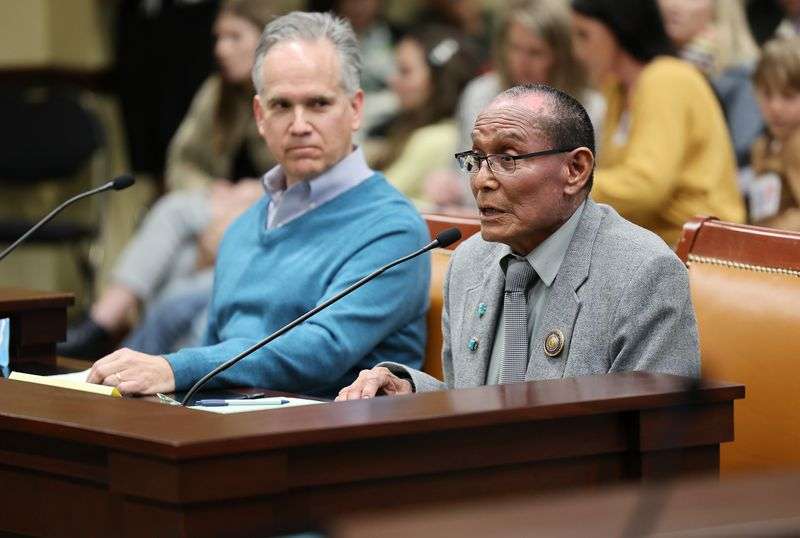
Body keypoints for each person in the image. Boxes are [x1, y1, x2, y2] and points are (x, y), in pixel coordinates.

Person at [86, 11, 431, 398]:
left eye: (318, 103)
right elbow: (212, 352)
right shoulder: (243, 227)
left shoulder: (393, 227)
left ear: (355, 110)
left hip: (327, 428)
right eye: (281, 105)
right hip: (222, 421)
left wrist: (175, 367)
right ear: (259, 116)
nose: (299, 125)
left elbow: (321, 350)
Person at [335, 84, 699, 400]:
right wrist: (409, 392)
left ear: (575, 170)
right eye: (477, 159)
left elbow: (658, 434)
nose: (482, 180)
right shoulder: (470, 261)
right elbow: (476, 404)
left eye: (507, 158)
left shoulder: (642, 274)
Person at [59, 0, 277, 359]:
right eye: (218, 38)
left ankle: (110, 332)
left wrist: (254, 194)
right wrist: (214, 192)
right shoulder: (216, 93)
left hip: (270, 218)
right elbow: (180, 162)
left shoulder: (284, 99)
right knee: (181, 253)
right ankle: (136, 361)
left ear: (265, 43)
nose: (221, 49)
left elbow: (304, 177)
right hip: (216, 212)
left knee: (175, 223)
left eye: (235, 37)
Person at [571, 0, 746, 246]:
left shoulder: (665, 78)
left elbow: (645, 188)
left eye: (584, 35)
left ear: (617, 29)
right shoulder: (616, 89)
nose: (577, 51)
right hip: (655, 244)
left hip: (702, 248)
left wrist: (563, 183)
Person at [426, 0, 604, 210]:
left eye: (535, 52)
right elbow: (466, 167)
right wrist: (450, 185)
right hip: (476, 212)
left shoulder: (590, 108)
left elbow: (587, 188)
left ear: (561, 57)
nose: (522, 62)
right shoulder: (480, 93)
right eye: (515, 48)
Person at [365, 26, 478, 208]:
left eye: (405, 71)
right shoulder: (405, 126)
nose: (392, 80)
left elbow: (373, 198)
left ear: (436, 82)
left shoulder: (435, 138)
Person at [658, 0, 763, 167]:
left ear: (720, 7)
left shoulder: (742, 73)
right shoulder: (648, 67)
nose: (674, 5)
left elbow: (741, 150)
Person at [748, 36, 800, 230]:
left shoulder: (797, 144)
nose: (776, 107)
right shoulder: (761, 146)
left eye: (788, 96)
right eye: (767, 94)